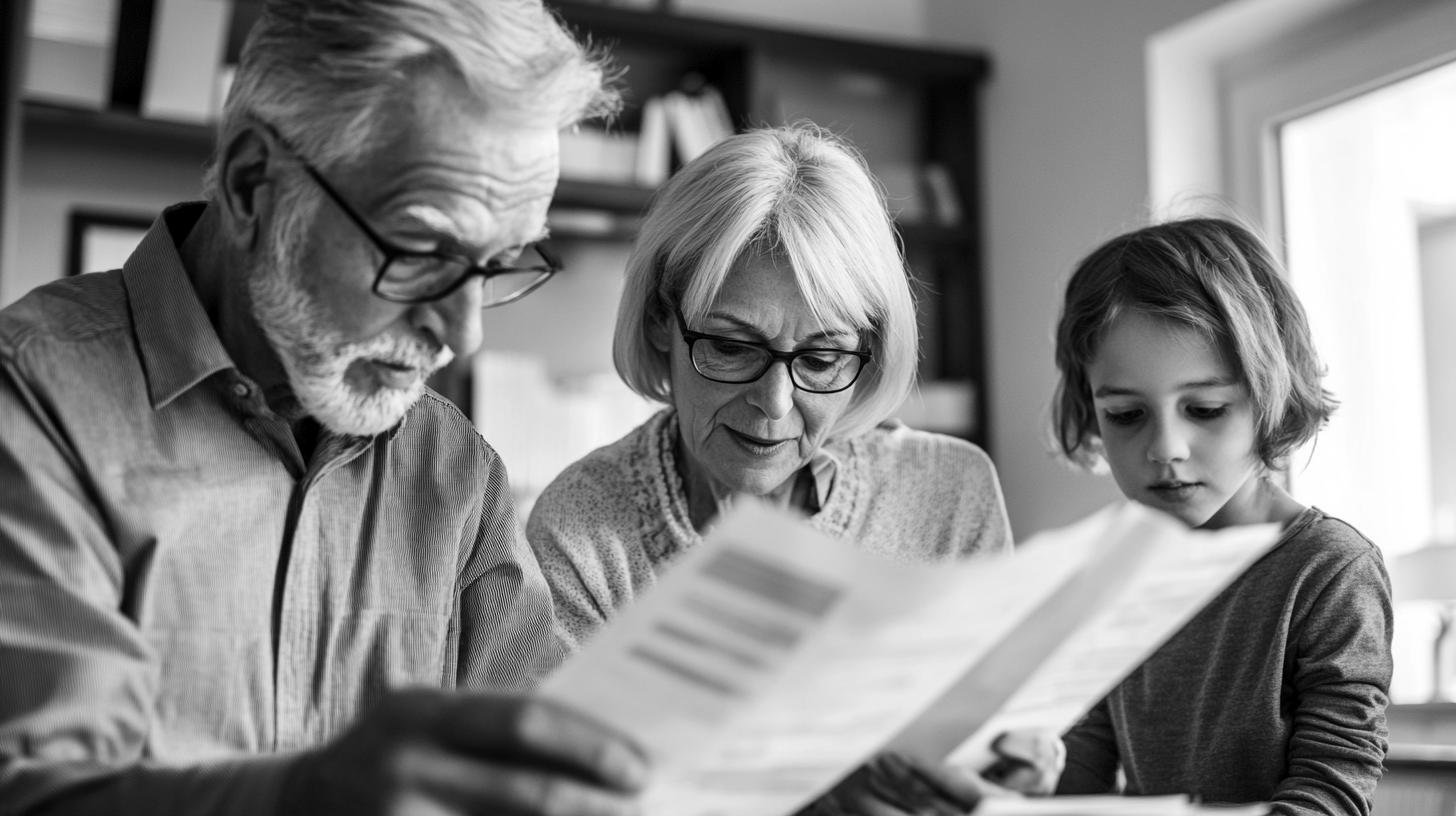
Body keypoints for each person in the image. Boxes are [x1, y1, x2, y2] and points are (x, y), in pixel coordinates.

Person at [0, 1, 649, 814]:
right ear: (252, 186)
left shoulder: (453, 470)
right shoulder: (32, 402)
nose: (463, 334)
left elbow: (543, 764)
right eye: (420, 252)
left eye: (497, 264)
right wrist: (303, 798)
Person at [526, 123, 1028, 815]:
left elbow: (989, 746)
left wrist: (1010, 765)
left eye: (821, 359)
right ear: (658, 328)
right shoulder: (584, 528)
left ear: (871, 356)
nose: (774, 403)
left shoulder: (947, 491)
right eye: (732, 347)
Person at [1047, 216, 1392, 814]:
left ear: (1271, 393)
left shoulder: (1328, 570)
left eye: (1204, 408)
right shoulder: (1115, 573)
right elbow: (1081, 770)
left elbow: (1332, 790)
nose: (1166, 448)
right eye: (1126, 415)